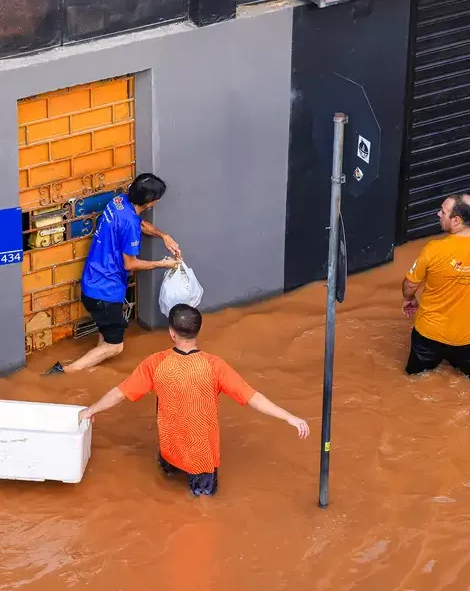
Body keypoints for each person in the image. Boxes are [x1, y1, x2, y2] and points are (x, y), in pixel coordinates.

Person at [79, 304, 310, 496]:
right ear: (198, 331)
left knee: (166, 484)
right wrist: (289, 417)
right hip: (202, 457)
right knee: (202, 507)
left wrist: (90, 410)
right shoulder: (214, 366)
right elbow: (253, 398)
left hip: (169, 448)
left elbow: (120, 393)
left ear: (171, 332)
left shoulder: (155, 363)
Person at [45, 173, 181, 375]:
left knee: (105, 335)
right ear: (150, 202)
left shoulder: (118, 202)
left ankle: (92, 370)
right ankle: (63, 372)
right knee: (115, 347)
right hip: (105, 293)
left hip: (91, 283)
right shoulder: (130, 226)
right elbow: (130, 264)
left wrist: (164, 236)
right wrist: (163, 264)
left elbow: (139, 223)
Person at [402, 194, 470, 381]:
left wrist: (408, 299)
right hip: (467, 340)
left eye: (443, 212)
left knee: (413, 380)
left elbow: (410, 283)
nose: (439, 214)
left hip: (427, 336)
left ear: (456, 220)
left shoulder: (432, 249)